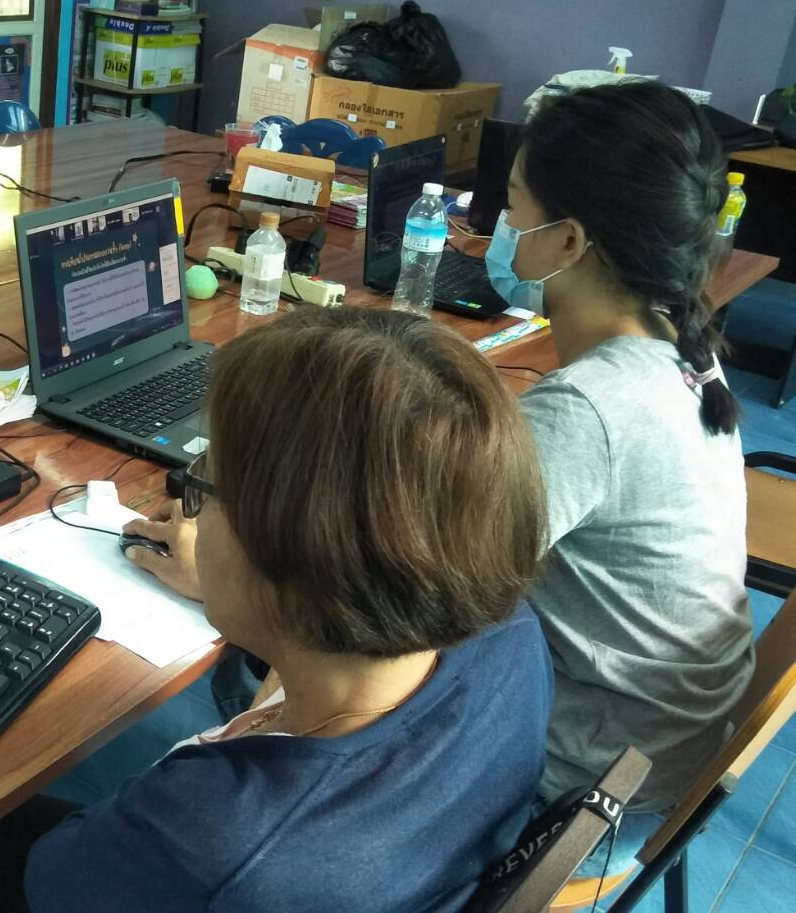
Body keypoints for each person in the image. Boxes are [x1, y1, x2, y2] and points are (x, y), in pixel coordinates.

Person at [27, 307, 553, 912]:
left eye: (204, 487)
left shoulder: (207, 842)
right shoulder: (513, 635)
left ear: (294, 557)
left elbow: (51, 876)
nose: (194, 513)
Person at [483, 80, 753, 859]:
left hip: (576, 784)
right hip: (661, 743)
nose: (502, 224)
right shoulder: (683, 348)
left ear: (568, 242)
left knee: (293, 642)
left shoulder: (588, 410)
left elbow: (419, 588)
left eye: (513, 202)